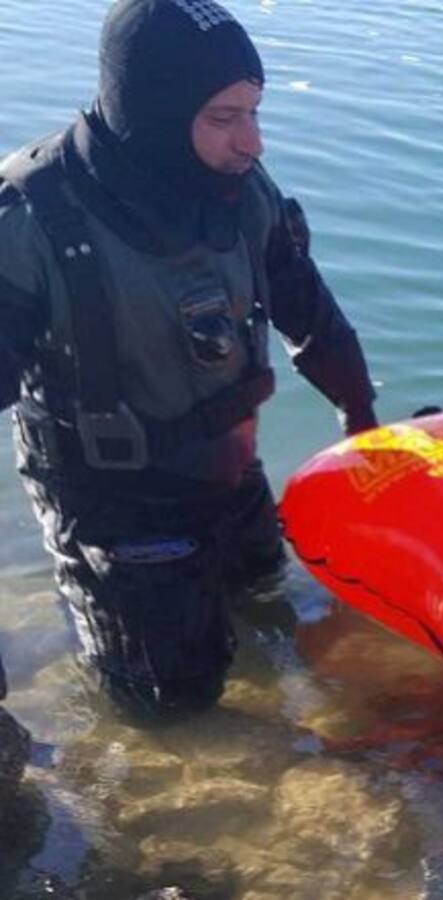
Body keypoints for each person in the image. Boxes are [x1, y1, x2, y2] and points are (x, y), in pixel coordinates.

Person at [0, 0, 381, 719]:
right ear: (154, 115)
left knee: (271, 611)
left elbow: (312, 314)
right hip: (116, 506)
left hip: (229, 474)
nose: (253, 143)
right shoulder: (32, 222)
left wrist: (363, 424)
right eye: (225, 118)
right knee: (172, 710)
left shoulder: (241, 194)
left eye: (255, 112)